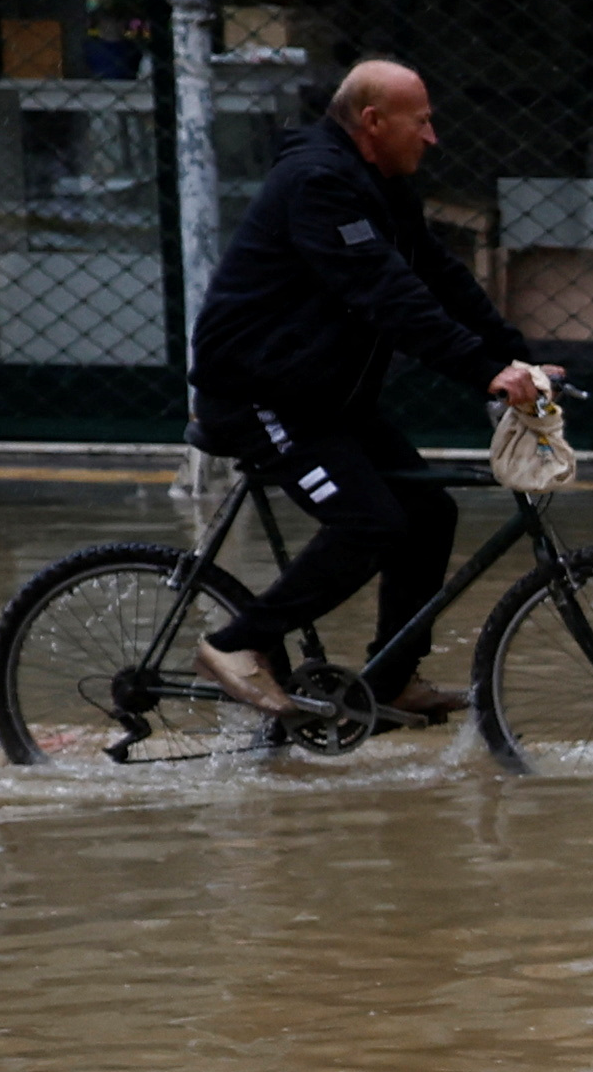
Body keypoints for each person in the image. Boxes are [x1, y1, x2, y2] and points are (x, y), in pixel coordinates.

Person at [187, 59, 553, 722]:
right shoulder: (318, 185)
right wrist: (482, 373)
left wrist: (515, 359)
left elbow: (441, 278)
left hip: (322, 398)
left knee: (428, 512)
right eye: (421, 122)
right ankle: (234, 645)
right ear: (373, 122)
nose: (432, 137)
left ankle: (390, 678)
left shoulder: (379, 187)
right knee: (370, 522)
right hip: (258, 395)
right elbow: (388, 297)